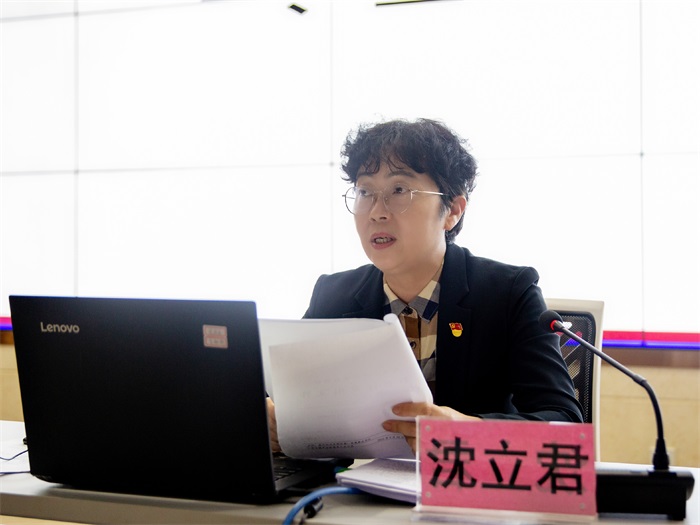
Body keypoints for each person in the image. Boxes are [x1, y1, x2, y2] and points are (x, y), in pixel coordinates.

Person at [268, 118, 583, 454]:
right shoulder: (333, 295)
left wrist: (468, 433)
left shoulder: (508, 293)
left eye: (399, 190)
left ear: (453, 211)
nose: (376, 212)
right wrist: (273, 419)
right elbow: (285, 395)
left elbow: (564, 424)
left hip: (464, 482)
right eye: (364, 192)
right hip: (355, 483)